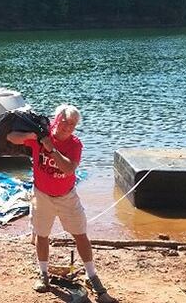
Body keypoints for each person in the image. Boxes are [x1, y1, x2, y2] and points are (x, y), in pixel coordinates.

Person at [7, 104, 118, 303]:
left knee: (80, 234)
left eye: (73, 124)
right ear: (57, 119)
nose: (68, 127)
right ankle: (43, 274)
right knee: (42, 235)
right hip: (42, 195)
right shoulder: (43, 136)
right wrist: (32, 136)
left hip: (67, 196)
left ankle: (92, 276)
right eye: (65, 122)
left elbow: (68, 169)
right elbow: (10, 137)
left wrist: (51, 150)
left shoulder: (75, 144)